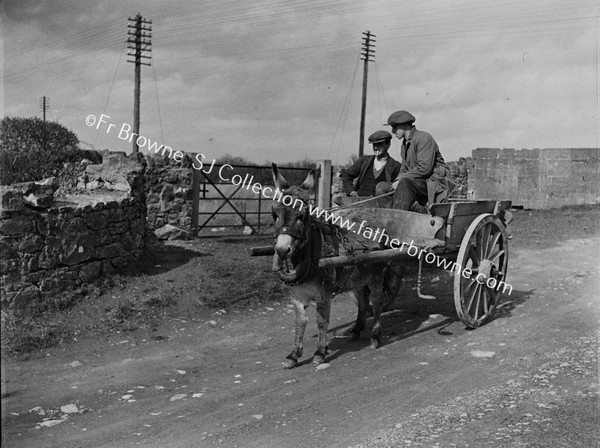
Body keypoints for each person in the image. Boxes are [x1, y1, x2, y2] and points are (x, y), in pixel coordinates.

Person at [380, 110, 451, 210]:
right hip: (417, 182)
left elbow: (424, 169)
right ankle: (388, 218)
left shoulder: (424, 138)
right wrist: (396, 181)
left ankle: (397, 219)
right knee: (382, 187)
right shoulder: (404, 145)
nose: (392, 131)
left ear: (404, 125)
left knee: (405, 183)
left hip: (433, 183)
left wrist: (400, 180)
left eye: (394, 127)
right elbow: (404, 169)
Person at [337, 130, 402, 205]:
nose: (376, 147)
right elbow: (347, 174)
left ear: (388, 145)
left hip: (380, 206)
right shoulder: (364, 161)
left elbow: (396, 188)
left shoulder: (395, 166)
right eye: (374, 145)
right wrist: (351, 192)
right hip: (359, 202)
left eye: (379, 144)